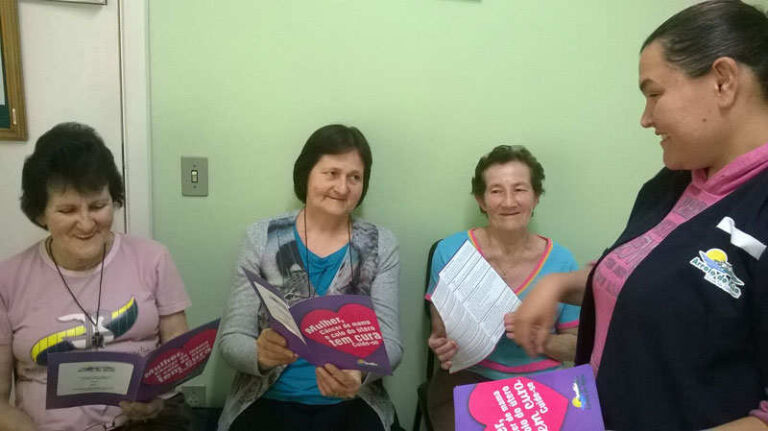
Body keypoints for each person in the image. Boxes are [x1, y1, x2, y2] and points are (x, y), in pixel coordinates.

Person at [513, 1, 768, 430]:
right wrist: (560, 284)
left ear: (723, 81)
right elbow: (646, 276)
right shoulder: (671, 181)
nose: (646, 119)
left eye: (654, 94)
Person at [0, 122, 193, 431]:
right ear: (40, 213)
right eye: (67, 210)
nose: (87, 223)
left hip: (146, 423)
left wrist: (157, 399)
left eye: (98, 206)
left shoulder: (153, 258)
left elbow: (177, 352)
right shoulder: (8, 280)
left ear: (113, 200)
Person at [217, 124, 402, 431]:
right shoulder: (261, 237)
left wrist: (360, 373)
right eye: (331, 173)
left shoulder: (380, 243)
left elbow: (391, 343)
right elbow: (231, 339)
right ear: (306, 174)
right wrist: (259, 354)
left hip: (351, 401)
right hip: (268, 399)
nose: (342, 187)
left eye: (354, 177)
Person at [425, 145, 580, 431]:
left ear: (536, 196)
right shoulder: (451, 252)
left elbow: (575, 345)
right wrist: (442, 344)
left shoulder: (561, 261)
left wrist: (538, 339)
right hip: (470, 380)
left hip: (543, 386)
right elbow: (441, 330)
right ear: (481, 200)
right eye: (496, 191)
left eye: (519, 189)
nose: (509, 202)